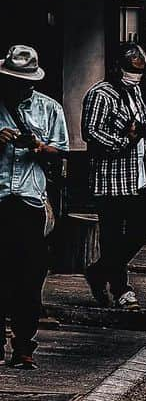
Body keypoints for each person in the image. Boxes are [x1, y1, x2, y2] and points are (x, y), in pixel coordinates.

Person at [0, 45, 68, 369]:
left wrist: (39, 146)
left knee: (29, 278)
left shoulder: (48, 109)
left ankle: (24, 345)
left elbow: (62, 151)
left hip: (30, 201)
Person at [82, 44, 146, 310]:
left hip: (137, 174)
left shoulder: (134, 91)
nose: (136, 75)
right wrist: (126, 139)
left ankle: (100, 271)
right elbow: (91, 133)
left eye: (140, 71)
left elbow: (139, 122)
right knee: (113, 235)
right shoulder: (101, 94)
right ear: (117, 67)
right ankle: (121, 288)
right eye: (131, 70)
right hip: (110, 178)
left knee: (141, 228)